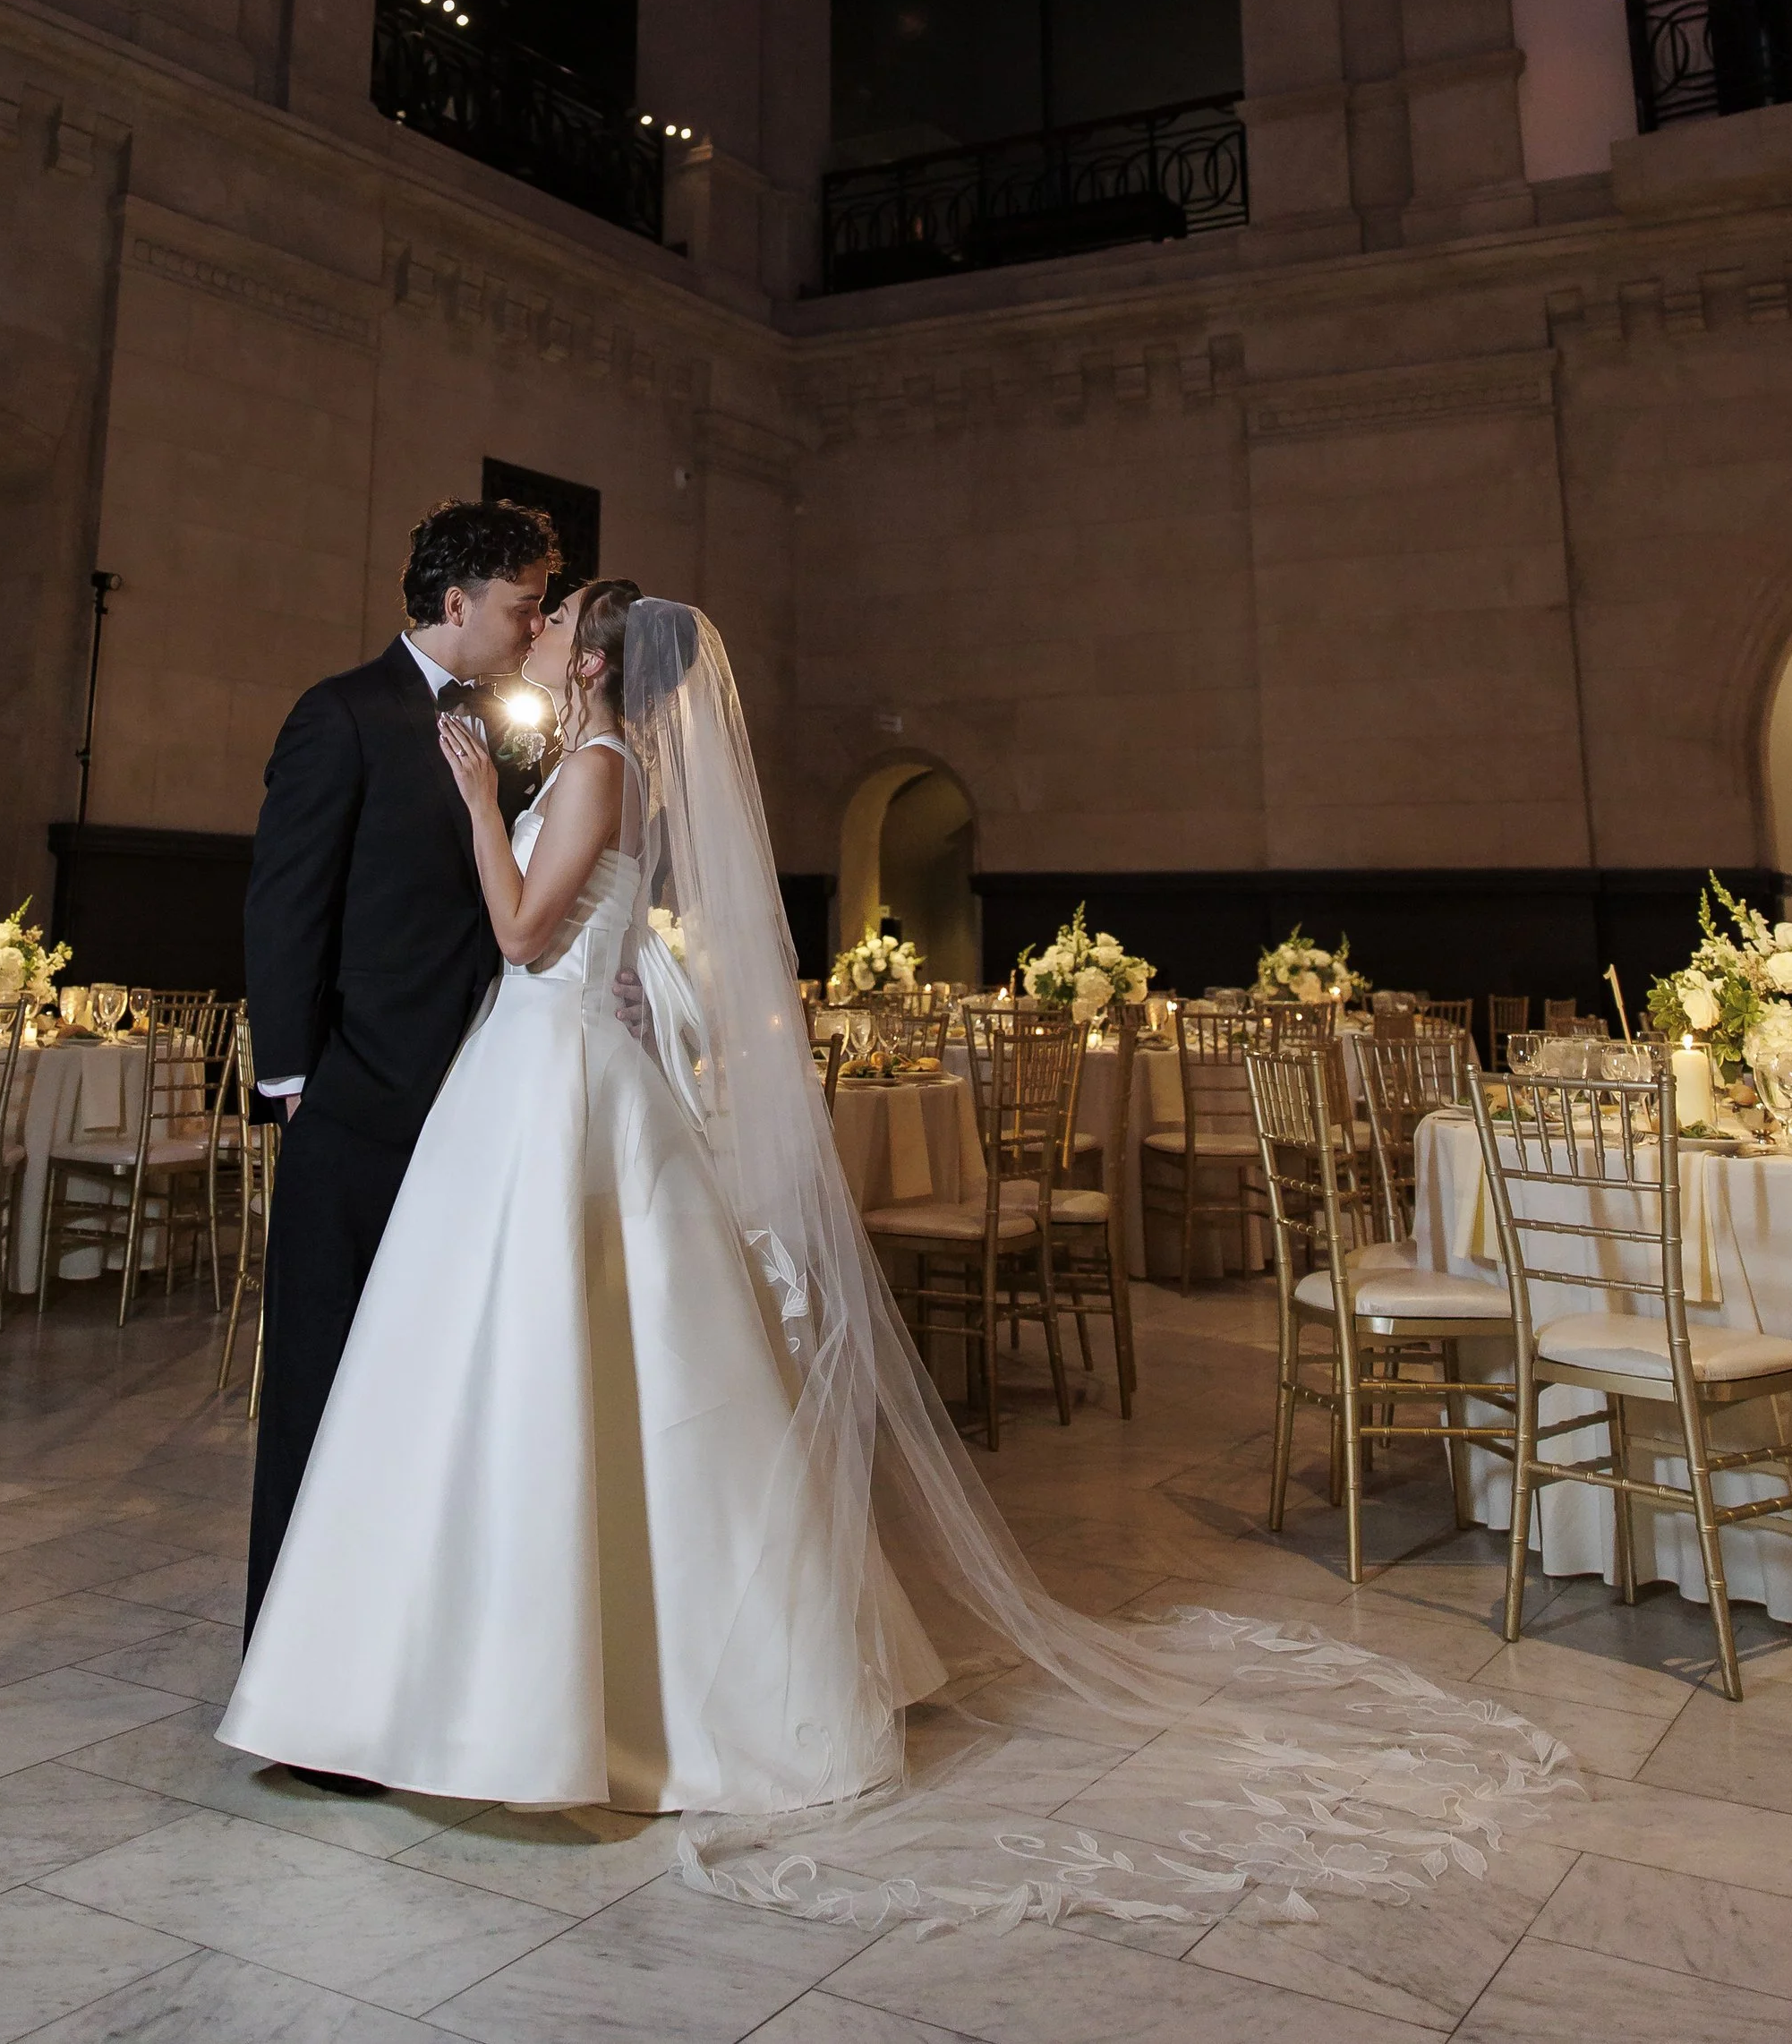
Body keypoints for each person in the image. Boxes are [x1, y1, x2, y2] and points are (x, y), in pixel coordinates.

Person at [226, 583, 1575, 1928]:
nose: (542, 631)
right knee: (513, 1373)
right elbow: (585, 936)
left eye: (560, 617)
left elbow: (524, 931)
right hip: (531, 1070)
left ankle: (555, 1699)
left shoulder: (597, 762)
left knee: (556, 1370)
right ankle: (461, 1679)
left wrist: (473, 798)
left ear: (592, 657)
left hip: (549, 1076)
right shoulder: (594, 760)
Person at [240, 495, 556, 1652]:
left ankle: (404, 1661)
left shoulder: (511, 729)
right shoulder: (344, 714)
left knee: (423, 1393)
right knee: (321, 1391)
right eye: (521, 608)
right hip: (358, 1103)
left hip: (474, 1107)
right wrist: (295, 1085)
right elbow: (286, 907)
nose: (531, 629)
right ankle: (294, 1670)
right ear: (457, 601)